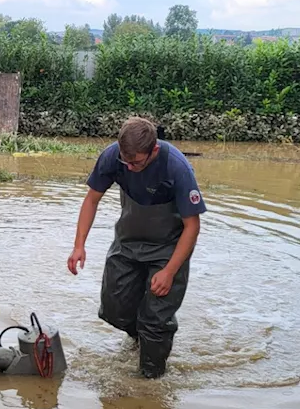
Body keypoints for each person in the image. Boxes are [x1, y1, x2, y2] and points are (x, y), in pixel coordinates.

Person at [67, 117, 206, 378]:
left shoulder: (177, 168)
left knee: (156, 321)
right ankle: (140, 337)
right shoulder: (112, 157)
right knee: (113, 309)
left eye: (136, 163)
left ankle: (150, 383)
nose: (129, 168)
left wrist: (170, 271)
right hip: (128, 243)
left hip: (167, 250)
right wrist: (79, 246)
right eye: (125, 162)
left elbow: (192, 227)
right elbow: (91, 200)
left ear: (153, 151)